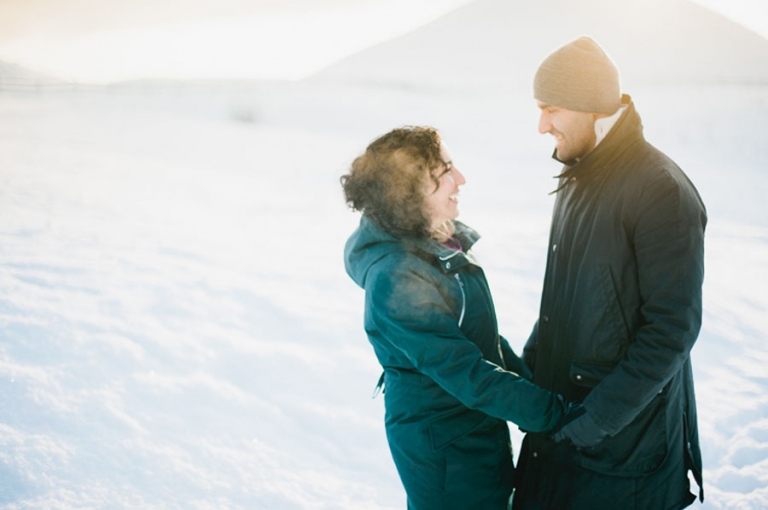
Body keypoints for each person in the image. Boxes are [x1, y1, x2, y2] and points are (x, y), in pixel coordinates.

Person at [512, 36, 707, 509]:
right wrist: (530, 374)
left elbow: (670, 331)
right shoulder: (579, 173)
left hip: (622, 453)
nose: (541, 126)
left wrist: (593, 421)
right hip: (564, 428)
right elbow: (568, 295)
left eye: (551, 108)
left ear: (588, 107)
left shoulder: (659, 190)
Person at [342, 126, 566, 509]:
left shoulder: (438, 241)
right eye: (444, 172)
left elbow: (482, 341)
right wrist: (554, 414)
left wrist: (534, 391)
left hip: (476, 436)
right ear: (406, 193)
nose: (460, 179)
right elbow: (466, 371)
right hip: (445, 457)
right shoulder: (396, 277)